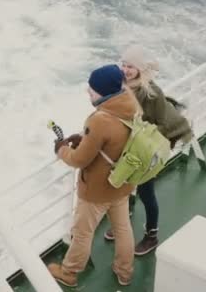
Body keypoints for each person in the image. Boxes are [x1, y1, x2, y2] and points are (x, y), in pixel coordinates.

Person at [48, 64, 137, 287]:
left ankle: (69, 272)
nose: (89, 92)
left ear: (104, 92)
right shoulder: (131, 105)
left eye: (92, 89)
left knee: (82, 233)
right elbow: (114, 140)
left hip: (98, 189)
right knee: (123, 228)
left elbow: (79, 160)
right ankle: (125, 272)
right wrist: (84, 139)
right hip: (122, 182)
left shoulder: (100, 120)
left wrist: (61, 150)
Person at [103, 44, 193, 256]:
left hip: (147, 148)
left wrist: (142, 137)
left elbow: (163, 123)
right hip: (132, 144)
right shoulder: (122, 84)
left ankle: (152, 236)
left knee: (146, 191)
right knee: (125, 184)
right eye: (123, 65)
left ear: (140, 69)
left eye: (131, 66)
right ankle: (123, 223)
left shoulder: (151, 92)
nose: (125, 70)